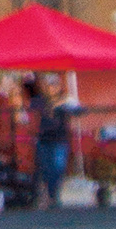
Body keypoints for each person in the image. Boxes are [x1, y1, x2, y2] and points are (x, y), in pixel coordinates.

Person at [33, 75, 73, 206]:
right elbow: (36, 112)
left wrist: (63, 103)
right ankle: (48, 195)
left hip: (59, 140)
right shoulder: (39, 101)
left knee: (58, 167)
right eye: (50, 85)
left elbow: (79, 110)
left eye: (55, 85)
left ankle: (53, 194)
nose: (52, 88)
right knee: (46, 169)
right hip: (43, 139)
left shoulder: (65, 100)